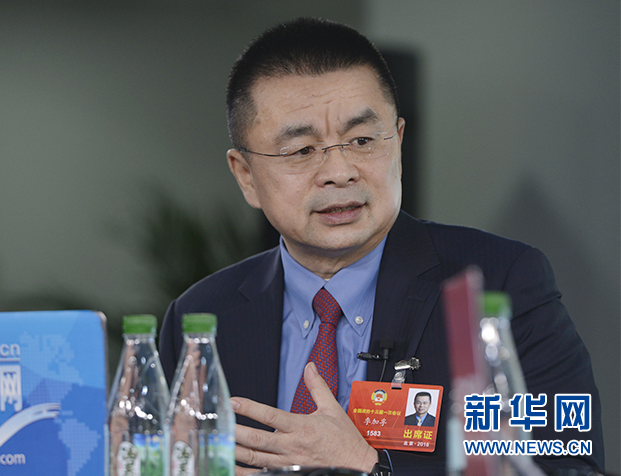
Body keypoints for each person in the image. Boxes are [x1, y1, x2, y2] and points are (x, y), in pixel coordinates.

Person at [158, 17, 604, 475]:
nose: (340, 172)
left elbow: (571, 466)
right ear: (246, 176)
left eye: (362, 140)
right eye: (302, 150)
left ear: (399, 142)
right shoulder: (203, 319)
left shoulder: (500, 283)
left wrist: (370, 466)